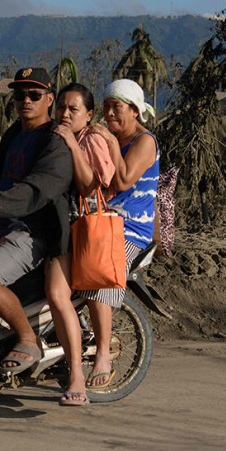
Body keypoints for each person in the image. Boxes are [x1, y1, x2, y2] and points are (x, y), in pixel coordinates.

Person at [0, 67, 73, 378]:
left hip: (33, 231)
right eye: (20, 95)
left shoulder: (54, 140)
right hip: (2, 225)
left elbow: (38, 189)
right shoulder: (16, 133)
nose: (26, 100)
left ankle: (26, 339)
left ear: (49, 99)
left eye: (34, 94)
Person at [81, 79, 159, 390]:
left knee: (101, 272)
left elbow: (124, 180)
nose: (110, 112)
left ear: (134, 110)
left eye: (117, 107)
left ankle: (103, 355)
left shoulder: (144, 141)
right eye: (107, 106)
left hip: (130, 231)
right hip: (104, 223)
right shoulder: (112, 138)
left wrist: (111, 142)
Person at [44, 82, 115, 405]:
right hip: (56, 227)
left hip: (83, 228)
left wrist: (73, 145)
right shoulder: (51, 135)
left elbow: (91, 186)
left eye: (74, 109)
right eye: (61, 107)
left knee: (82, 287)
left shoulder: (91, 139)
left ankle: (95, 360)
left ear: (88, 115)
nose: (65, 113)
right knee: (53, 294)